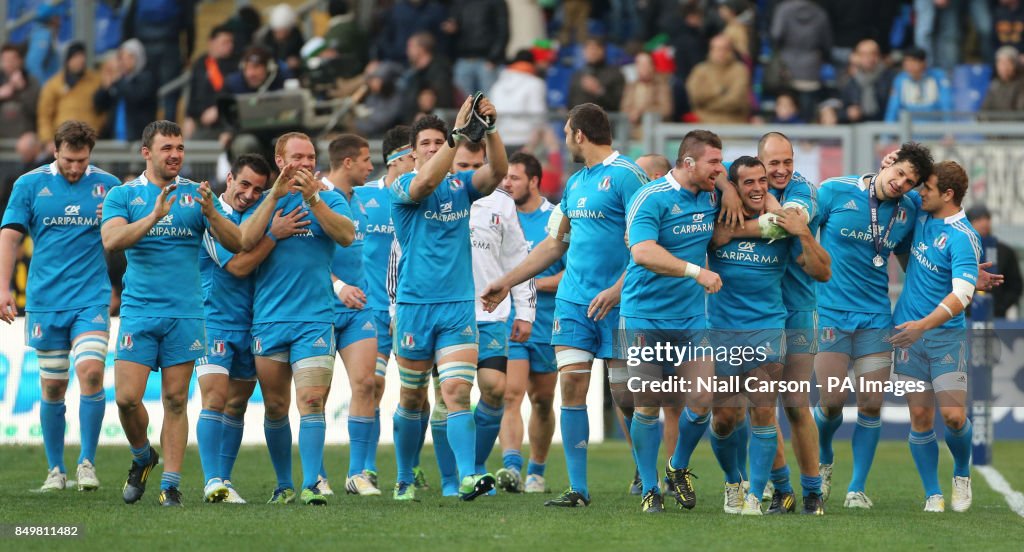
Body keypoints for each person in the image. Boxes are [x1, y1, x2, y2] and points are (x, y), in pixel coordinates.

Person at [481, 103, 649, 507]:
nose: (565, 138)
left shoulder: (629, 177)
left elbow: (647, 243)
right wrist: (506, 282)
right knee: (572, 386)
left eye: (567, 131)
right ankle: (578, 489)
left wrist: (619, 289)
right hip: (574, 303)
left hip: (619, 304)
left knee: (627, 396)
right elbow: (555, 243)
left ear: (578, 134)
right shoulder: (575, 184)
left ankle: (648, 480)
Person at [102, 120, 244, 507]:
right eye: (167, 148)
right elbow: (112, 240)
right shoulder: (123, 195)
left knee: (176, 400)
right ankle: (142, 455)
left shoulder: (198, 196)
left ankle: (171, 485)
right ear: (146, 152)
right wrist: (153, 217)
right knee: (127, 399)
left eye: (180, 147)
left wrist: (214, 215)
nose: (176, 155)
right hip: (139, 311)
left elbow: (239, 242)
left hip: (186, 312)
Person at [388, 97, 507, 502]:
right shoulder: (403, 185)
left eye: (440, 140)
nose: (435, 146)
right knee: (411, 397)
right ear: (412, 151)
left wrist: (490, 129)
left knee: (456, 393)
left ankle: (468, 474)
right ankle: (405, 475)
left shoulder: (461, 187)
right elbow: (424, 183)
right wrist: (456, 137)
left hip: (457, 306)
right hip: (415, 307)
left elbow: (499, 171)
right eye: (427, 142)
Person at [707, 156, 831, 516]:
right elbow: (707, 167)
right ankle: (736, 481)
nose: (761, 186)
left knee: (773, 409)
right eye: (749, 182)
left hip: (771, 326)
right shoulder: (715, 213)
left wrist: (803, 232)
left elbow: (823, 272)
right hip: (722, 329)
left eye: (764, 180)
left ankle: (766, 495)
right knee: (723, 419)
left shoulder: (787, 218)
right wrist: (726, 188)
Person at [813, 143, 934, 509]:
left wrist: (956, 276)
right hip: (831, 314)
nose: (901, 184)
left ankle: (857, 488)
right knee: (832, 403)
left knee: (870, 403)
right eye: (899, 173)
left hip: (876, 318)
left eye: (910, 182)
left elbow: (913, 260)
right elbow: (801, 239)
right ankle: (823, 459)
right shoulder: (834, 190)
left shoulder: (909, 210)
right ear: (887, 163)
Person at [0, 121, 119, 492]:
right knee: (52, 388)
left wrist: (119, 285)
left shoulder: (109, 186)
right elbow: (10, 235)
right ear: (55, 152)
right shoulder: (30, 184)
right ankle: (56, 471)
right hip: (45, 301)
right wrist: (3, 287)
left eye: (82, 160)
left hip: (91, 299)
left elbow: (124, 237)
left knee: (92, 374)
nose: (75, 167)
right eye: (69, 159)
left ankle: (87, 463)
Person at [238, 132, 355, 506]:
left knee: (312, 400)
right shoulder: (264, 199)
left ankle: (311, 483)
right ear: (279, 159)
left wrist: (314, 199)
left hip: (315, 318)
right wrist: (274, 200)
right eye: (296, 157)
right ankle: (284, 483)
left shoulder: (330, 197)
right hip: (269, 319)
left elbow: (347, 236)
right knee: (275, 406)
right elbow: (244, 240)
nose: (304, 163)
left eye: (309, 157)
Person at [620, 130, 725, 513]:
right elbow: (644, 251)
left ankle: (677, 466)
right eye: (714, 161)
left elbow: (730, 179)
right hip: (644, 316)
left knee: (701, 399)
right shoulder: (650, 197)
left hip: (691, 318)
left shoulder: (712, 194)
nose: (720, 168)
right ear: (689, 162)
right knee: (647, 405)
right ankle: (650, 488)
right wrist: (696, 272)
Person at [194, 153, 308, 504]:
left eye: (259, 189)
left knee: (237, 404)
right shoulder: (213, 216)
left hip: (251, 324)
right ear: (229, 179)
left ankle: (224, 482)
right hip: (212, 320)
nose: (249, 193)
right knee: (214, 398)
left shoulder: (256, 216)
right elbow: (239, 266)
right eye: (244, 184)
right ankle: (212, 480)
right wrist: (273, 236)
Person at [890, 161, 980, 513]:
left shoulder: (964, 237)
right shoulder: (921, 215)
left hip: (943, 338)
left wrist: (923, 325)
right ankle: (933, 493)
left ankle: (961, 472)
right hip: (908, 336)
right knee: (921, 419)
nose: (919, 192)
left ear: (948, 194)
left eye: (926, 187)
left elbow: (962, 296)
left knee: (954, 417)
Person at [459, 142, 535, 494]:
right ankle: (427, 474)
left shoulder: (501, 202)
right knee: (448, 396)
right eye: (463, 164)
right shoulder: (433, 193)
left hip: (490, 313)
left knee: (494, 389)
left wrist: (526, 310)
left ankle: (474, 468)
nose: (471, 172)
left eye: (477, 165)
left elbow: (518, 258)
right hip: (448, 312)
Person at [495, 152, 563, 494]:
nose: (507, 183)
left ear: (534, 181)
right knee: (511, 394)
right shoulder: (498, 216)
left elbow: (571, 272)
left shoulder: (556, 217)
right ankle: (511, 467)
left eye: (515, 178)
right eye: (504, 177)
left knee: (542, 400)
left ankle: (537, 470)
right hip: (511, 320)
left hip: (548, 322)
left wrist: (529, 283)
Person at [352, 126, 414, 489]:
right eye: (413, 156)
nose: (420, 161)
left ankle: (411, 467)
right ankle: (367, 467)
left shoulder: (423, 197)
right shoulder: (360, 197)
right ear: (396, 159)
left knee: (415, 392)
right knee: (372, 385)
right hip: (372, 312)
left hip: (412, 308)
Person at [321, 134, 381, 496]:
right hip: (320, 307)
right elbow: (300, 258)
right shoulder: (313, 196)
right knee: (317, 396)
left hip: (360, 308)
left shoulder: (362, 202)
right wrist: (337, 285)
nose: (371, 166)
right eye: (365, 160)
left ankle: (358, 473)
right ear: (347, 163)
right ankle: (317, 474)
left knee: (366, 385)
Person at [37, 42, 106, 146]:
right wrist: (47, 140)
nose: (80, 61)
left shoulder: (96, 81)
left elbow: (103, 110)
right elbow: (44, 114)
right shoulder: (54, 83)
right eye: (75, 57)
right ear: (67, 60)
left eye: (82, 56)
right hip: (63, 139)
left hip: (88, 138)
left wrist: (96, 129)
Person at [93, 39, 157, 141]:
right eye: (122, 57)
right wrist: (104, 88)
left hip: (137, 137)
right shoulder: (118, 81)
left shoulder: (147, 79)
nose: (124, 61)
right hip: (114, 136)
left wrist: (118, 80)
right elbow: (98, 105)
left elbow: (135, 97)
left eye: (130, 57)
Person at [966, 205, 1021, 318]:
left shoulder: (1005, 252)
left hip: (997, 316)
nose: (984, 223)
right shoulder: (961, 250)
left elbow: (1015, 285)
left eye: (987, 218)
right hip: (964, 317)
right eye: (978, 219)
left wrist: (1000, 306)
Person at [184, 25, 237, 140]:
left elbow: (236, 94)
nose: (230, 46)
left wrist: (219, 109)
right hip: (201, 122)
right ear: (211, 42)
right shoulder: (200, 63)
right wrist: (189, 117)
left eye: (231, 42)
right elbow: (193, 92)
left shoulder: (235, 66)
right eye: (225, 42)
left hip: (225, 123)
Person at [686, 35, 751, 123]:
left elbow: (735, 100)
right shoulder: (700, 70)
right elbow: (695, 96)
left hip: (734, 123)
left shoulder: (739, 70)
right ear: (710, 50)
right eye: (716, 49)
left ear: (730, 50)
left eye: (724, 49)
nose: (721, 53)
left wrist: (707, 105)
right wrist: (719, 92)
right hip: (703, 123)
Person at [884, 47, 952, 122]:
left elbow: (946, 104)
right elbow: (893, 108)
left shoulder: (938, 77)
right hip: (909, 129)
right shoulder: (900, 80)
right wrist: (887, 132)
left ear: (923, 63)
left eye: (913, 61)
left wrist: (949, 129)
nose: (909, 66)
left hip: (934, 127)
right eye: (906, 62)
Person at [839, 39, 895, 123]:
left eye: (873, 53)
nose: (869, 58)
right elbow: (839, 110)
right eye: (864, 54)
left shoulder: (890, 78)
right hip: (858, 128)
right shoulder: (849, 81)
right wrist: (848, 113)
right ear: (856, 57)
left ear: (879, 56)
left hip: (885, 126)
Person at [568, 37, 625, 113]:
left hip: (605, 122)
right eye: (589, 49)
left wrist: (599, 91)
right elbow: (571, 102)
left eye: (595, 48)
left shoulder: (614, 73)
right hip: (579, 122)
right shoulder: (577, 75)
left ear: (603, 50)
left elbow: (619, 104)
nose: (592, 52)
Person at [0, 43, 41, 140]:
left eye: (12, 59)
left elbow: (36, 110)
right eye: (5, 60)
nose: (8, 63)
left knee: (28, 144)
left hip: (25, 133)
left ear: (20, 61)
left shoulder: (32, 81)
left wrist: (22, 90)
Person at [980, 45, 1024, 113]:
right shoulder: (994, 85)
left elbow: (1020, 114)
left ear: (1015, 65)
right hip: (995, 123)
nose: (1003, 68)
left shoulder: (1021, 84)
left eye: (1007, 63)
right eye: (1000, 63)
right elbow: (984, 111)